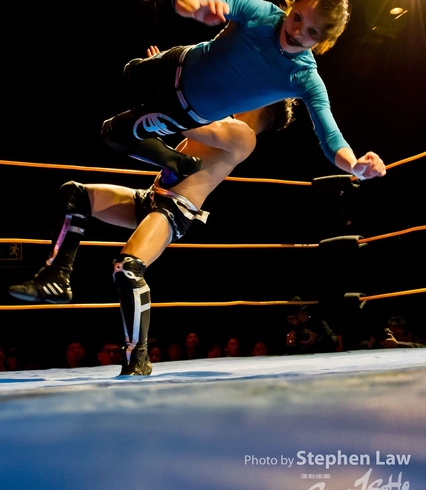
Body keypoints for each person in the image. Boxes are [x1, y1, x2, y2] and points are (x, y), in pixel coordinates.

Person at [9, 94, 295, 376]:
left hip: (175, 209)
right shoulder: (228, 122)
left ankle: (138, 356)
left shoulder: (243, 135)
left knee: (127, 269)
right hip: (151, 197)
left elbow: (187, 123)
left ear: (264, 101)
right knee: (75, 194)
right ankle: (56, 277)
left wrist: (164, 88)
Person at [101, 0, 386, 186]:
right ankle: (170, 146)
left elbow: (330, 136)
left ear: (323, 40)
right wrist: (195, 7)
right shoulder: (258, 11)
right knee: (131, 73)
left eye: (312, 32)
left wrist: (355, 166)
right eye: (297, 17)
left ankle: (177, 161)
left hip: (183, 111)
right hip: (176, 62)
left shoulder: (304, 78)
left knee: (114, 132)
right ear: (292, 4)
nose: (298, 32)